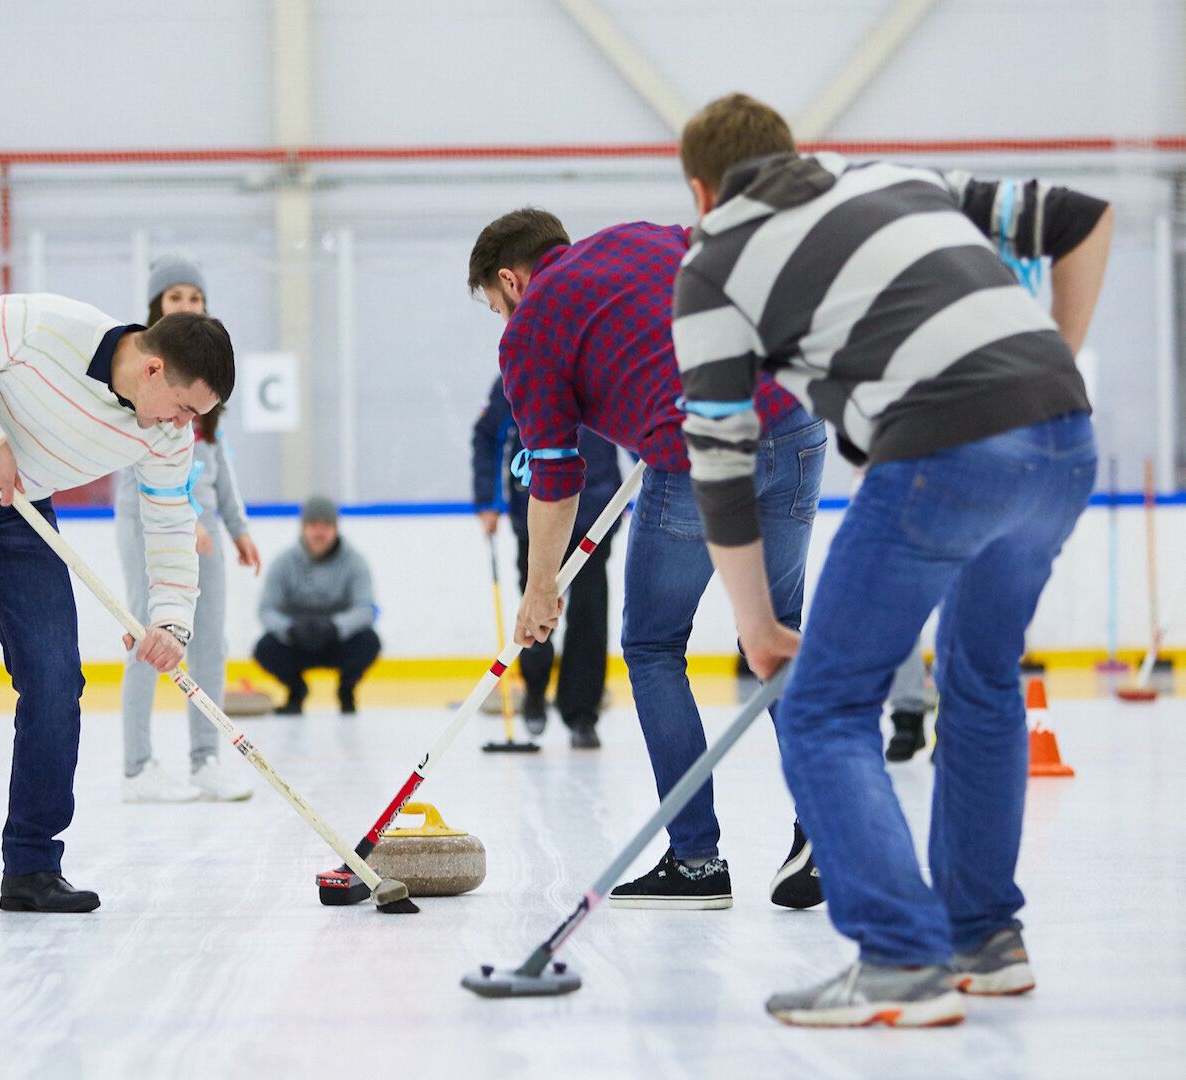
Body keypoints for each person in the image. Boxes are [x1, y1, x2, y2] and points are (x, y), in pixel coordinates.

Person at [672, 92, 1110, 1026]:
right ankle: (983, 941)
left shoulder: (712, 262)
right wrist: (1047, 377)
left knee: (825, 703)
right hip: (1062, 437)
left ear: (702, 190)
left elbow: (717, 454)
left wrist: (754, 621)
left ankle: (903, 961)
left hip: (946, 448)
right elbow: (1079, 218)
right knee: (983, 681)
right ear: (793, 155)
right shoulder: (899, 176)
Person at [469, 208, 828, 911]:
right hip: (795, 418)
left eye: (495, 308)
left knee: (655, 645)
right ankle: (828, 827)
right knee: (781, 632)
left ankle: (695, 862)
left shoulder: (530, 331)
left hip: (698, 452)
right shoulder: (644, 235)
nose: (504, 324)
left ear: (512, 280)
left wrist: (541, 587)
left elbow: (556, 472)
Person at [0, 294, 234, 920]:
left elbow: (169, 522)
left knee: (56, 679)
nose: (180, 424)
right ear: (155, 370)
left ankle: (32, 866)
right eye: (185, 407)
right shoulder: (48, 326)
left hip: (14, 507)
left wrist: (170, 621)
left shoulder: (167, 434)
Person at [116, 254, 260, 803]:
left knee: (208, 644)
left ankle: (206, 759)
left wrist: (237, 526)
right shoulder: (145, 377)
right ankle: (138, 767)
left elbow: (218, 462)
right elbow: (143, 469)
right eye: (175, 298)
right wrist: (187, 521)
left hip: (205, 529)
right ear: (157, 308)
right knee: (149, 637)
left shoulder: (205, 378)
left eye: (194, 299)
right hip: (151, 522)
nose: (186, 306)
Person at [472, 375, 622, 747]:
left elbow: (639, 429)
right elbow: (489, 434)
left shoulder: (602, 367)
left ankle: (582, 713)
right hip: (537, 514)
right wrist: (488, 500)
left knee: (588, 612)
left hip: (594, 514)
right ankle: (535, 689)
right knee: (538, 607)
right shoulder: (521, 368)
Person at [253, 496, 380, 714]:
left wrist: (335, 627)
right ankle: (296, 689)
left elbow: (366, 609)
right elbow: (266, 609)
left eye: (326, 526)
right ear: (303, 528)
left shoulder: (355, 562)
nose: (319, 532)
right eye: (313, 525)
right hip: (296, 641)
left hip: (337, 640)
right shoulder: (284, 563)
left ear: (336, 528)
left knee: (369, 642)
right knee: (265, 649)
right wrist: (290, 629)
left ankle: (347, 689)